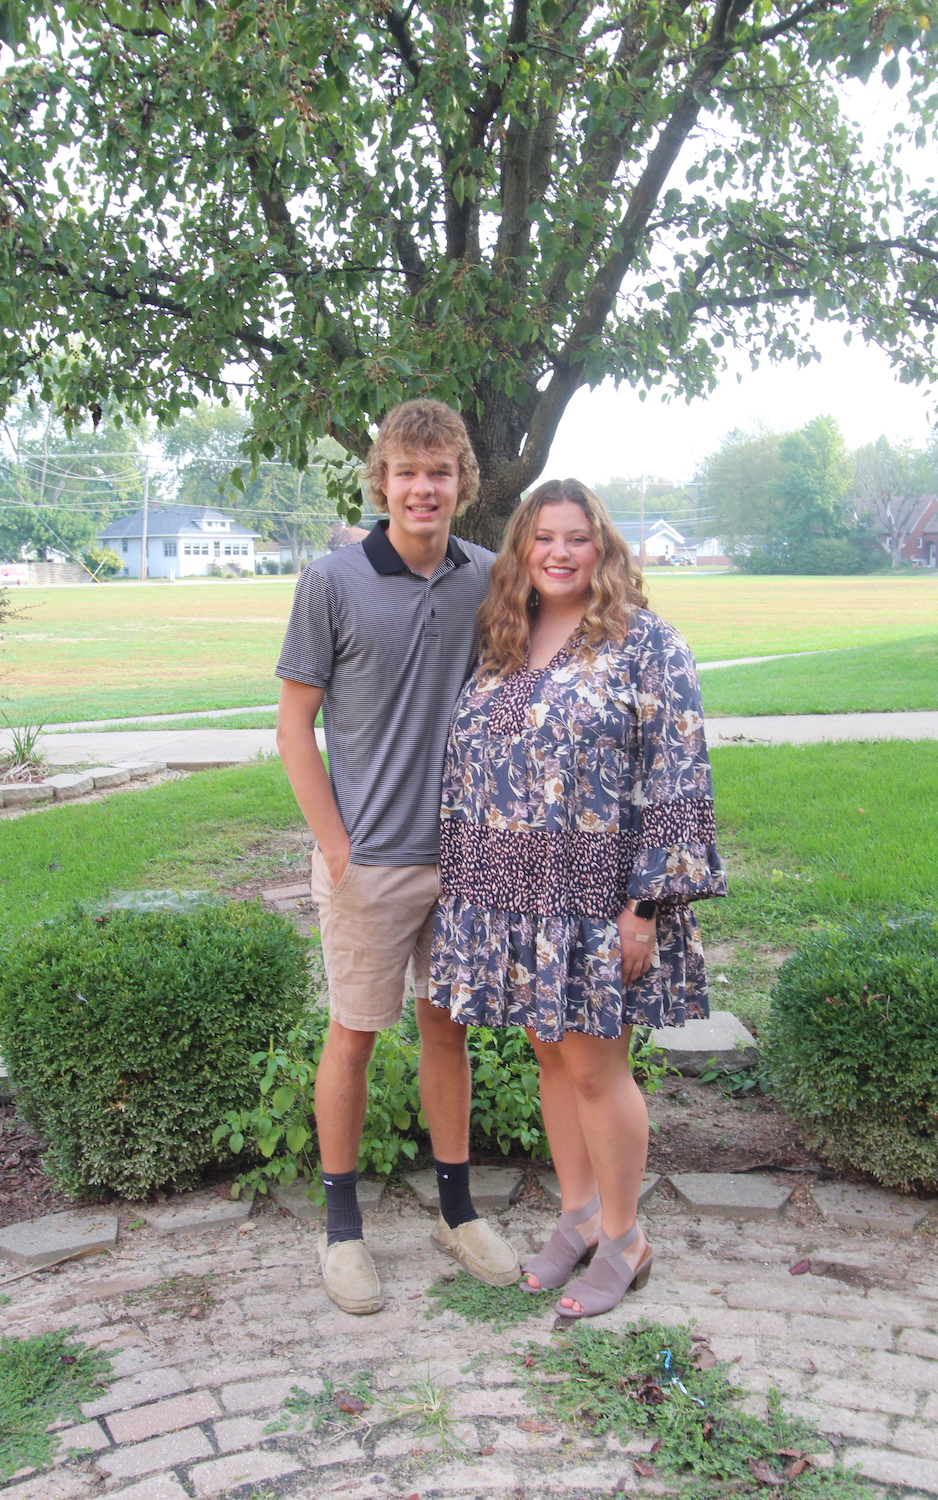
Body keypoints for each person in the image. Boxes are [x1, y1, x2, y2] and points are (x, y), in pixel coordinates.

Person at [430, 478, 726, 1319]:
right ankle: (580, 1215)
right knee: (551, 1057)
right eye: (544, 537)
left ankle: (626, 1238)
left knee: (597, 1067)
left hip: (599, 897)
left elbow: (677, 775)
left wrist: (646, 907)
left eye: (577, 537)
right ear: (522, 548)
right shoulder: (505, 635)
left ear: (603, 547)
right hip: (512, 896)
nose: (559, 553)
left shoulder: (646, 644)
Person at [275, 399, 520, 1317]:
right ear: (381, 482)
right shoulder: (331, 581)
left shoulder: (487, 577)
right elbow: (294, 726)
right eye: (407, 472)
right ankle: (342, 1232)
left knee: (447, 1032)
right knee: (354, 1034)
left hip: (464, 860)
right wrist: (336, 848)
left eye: (440, 472)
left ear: (462, 482)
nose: (424, 488)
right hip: (369, 862)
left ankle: (457, 1213)